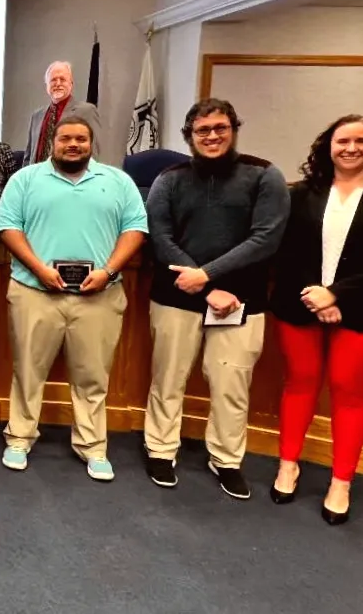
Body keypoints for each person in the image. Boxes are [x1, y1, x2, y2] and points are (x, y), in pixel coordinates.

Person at [144, 99, 289, 499]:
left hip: (240, 302)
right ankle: (160, 448)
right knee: (168, 378)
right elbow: (160, 238)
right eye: (202, 130)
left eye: (220, 128)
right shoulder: (169, 179)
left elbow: (266, 238)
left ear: (234, 129)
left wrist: (208, 276)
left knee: (231, 383)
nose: (212, 136)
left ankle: (225, 458)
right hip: (177, 297)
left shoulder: (264, 175)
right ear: (188, 136)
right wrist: (205, 286)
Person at [0, 116, 146, 481]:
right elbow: (8, 227)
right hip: (35, 292)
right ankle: (19, 438)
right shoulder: (26, 179)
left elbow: (135, 229)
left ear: (91, 143)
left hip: (99, 295)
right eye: (66, 138)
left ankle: (93, 447)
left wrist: (108, 271)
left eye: (81, 138)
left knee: (93, 375)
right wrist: (40, 269)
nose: (73, 144)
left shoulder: (117, 182)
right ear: (53, 142)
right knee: (28, 372)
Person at [270, 115, 363, 524]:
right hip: (300, 303)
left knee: (348, 392)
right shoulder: (302, 193)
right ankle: (288, 464)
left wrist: (338, 294)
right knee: (301, 384)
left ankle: (340, 481)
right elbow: (286, 250)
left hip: (358, 309)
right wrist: (316, 294)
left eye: (361, 141)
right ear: (329, 145)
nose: (352, 148)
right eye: (343, 140)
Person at [23, 61, 102, 166]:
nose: (58, 83)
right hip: (36, 179)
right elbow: (28, 156)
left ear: (71, 84)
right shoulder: (36, 116)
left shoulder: (87, 111)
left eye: (63, 79)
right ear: (47, 86)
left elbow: (93, 154)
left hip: (68, 179)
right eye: (53, 80)